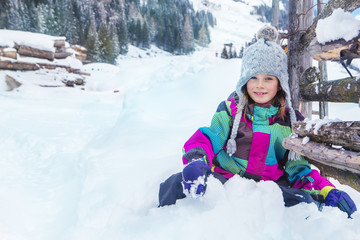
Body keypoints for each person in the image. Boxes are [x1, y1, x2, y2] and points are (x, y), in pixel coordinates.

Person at [158, 26, 357, 218]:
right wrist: (196, 161)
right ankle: (162, 219)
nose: (260, 85)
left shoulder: (290, 122)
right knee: (176, 183)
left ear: (280, 83)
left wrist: (327, 191)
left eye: (269, 78)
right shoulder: (230, 111)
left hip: (269, 189)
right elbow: (209, 138)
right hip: (228, 180)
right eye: (253, 77)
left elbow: (298, 169)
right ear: (244, 81)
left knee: (303, 201)